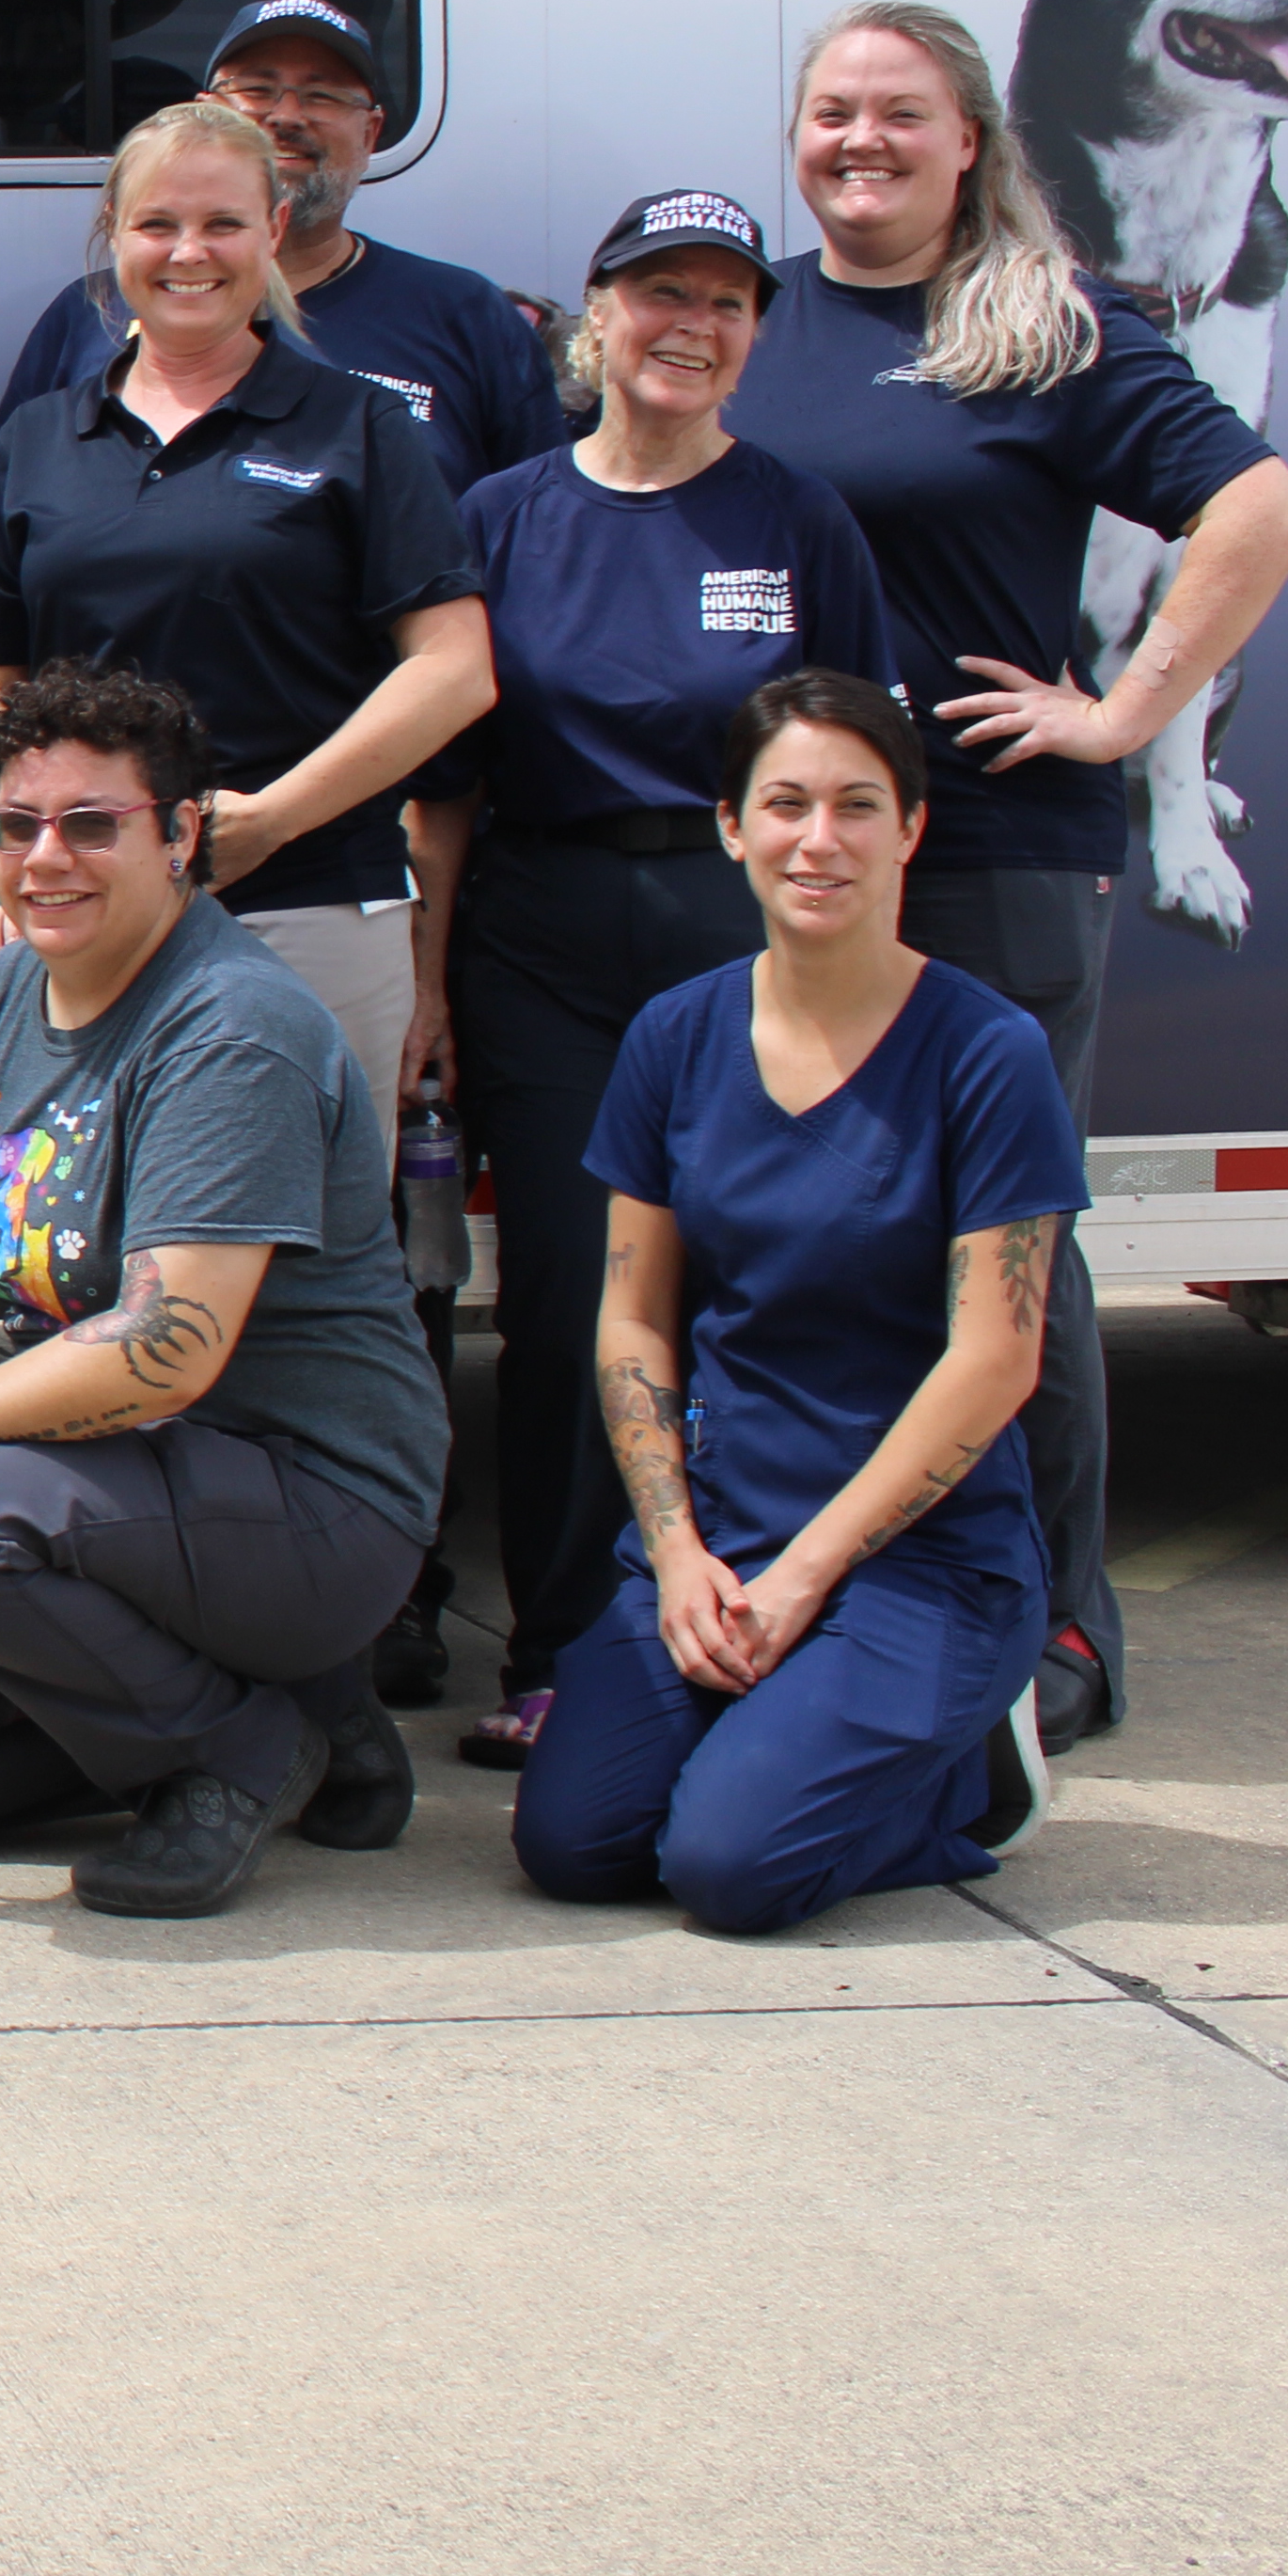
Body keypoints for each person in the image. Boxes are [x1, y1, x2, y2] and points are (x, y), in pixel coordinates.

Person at [724, 3, 1288, 1746]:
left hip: (986, 852)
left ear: (969, 139)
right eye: (832, 113)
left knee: (1001, 1254)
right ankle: (856, 1588)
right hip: (792, 860)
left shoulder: (1044, 327)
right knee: (811, 1242)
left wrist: (1127, 713)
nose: (860, 144)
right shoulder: (748, 321)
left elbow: (1258, 511)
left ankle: (1059, 1626)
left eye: (900, 116)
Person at [0, 662, 449, 1919]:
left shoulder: (231, 1025)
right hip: (120, 1483)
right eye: (17, 825)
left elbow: (167, 1348)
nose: (49, 858)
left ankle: (235, 1751)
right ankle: (292, 1705)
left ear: (181, 834)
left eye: (93, 824)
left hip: (308, 1496)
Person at [430, 191, 889, 1771]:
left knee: (765, 1283)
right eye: (657, 293)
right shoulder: (500, 515)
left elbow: (849, 768)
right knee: (570, 1300)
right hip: (543, 929)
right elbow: (449, 783)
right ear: (595, 314)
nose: (689, 324)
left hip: (742, 932)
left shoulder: (796, 519)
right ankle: (565, 1646)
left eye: (725, 301)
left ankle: (777, 1611)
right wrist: (429, 983)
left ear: (754, 335)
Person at [513, 671, 1082, 1932]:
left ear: (911, 830)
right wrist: (675, 1555)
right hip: (722, 1537)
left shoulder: (987, 1053)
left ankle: (966, 1778)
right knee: (575, 1846)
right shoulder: (675, 1035)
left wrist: (809, 1572)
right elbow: (634, 1317)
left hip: (916, 1562)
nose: (818, 840)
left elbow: (998, 1358)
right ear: (731, 826)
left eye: (857, 806)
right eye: (785, 805)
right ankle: (799, 1738)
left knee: (728, 1868)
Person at [0, 96, 494, 1101]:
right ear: (115, 235)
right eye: (158, 224)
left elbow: (456, 670)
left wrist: (272, 818)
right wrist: (23, 841)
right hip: (82, 903)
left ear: (273, 232)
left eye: (224, 223)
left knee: (299, 1240)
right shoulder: (41, 437)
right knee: (72, 1234)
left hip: (308, 905)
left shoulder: (353, 424)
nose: (189, 252)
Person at [0, 0, 561, 488]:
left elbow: (537, 532)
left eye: (323, 94)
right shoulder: (91, 313)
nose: (286, 116)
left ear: (372, 131)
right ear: (203, 115)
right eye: (257, 90)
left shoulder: (466, 315)